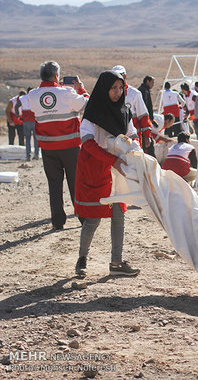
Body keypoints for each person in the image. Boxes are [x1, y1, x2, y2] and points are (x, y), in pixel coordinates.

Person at [74, 70, 140, 277]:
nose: (118, 92)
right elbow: (88, 146)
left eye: (121, 88)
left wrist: (137, 153)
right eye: (113, 88)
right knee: (93, 218)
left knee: (119, 214)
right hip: (95, 168)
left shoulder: (124, 111)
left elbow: (133, 135)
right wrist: (114, 161)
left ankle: (117, 262)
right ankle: (82, 259)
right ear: (104, 89)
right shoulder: (92, 114)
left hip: (116, 168)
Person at [19, 61, 89, 230]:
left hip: (48, 149)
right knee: (75, 183)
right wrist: (81, 89)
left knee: (54, 184)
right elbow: (87, 103)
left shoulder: (33, 95)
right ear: (57, 76)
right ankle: (83, 218)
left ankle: (57, 221)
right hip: (70, 147)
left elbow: (22, 104)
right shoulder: (67, 92)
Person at [111, 65, 152, 149]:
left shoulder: (134, 94)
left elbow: (143, 115)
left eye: (120, 75)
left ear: (125, 76)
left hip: (133, 138)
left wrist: (147, 136)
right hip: (115, 138)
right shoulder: (109, 94)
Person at [19, 87, 39, 160]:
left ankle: (28, 155)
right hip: (35, 120)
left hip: (26, 120)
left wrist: (19, 116)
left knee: (27, 139)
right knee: (36, 139)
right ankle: (36, 154)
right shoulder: (36, 98)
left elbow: (16, 107)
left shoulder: (22, 98)